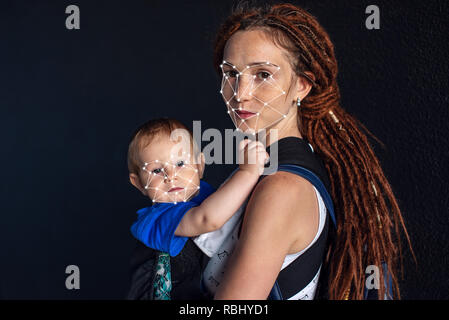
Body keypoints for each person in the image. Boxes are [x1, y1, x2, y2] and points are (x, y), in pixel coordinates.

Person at [194, 2, 414, 300]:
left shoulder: (282, 188)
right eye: (231, 73)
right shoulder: (271, 166)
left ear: (302, 85)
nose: (240, 93)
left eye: (262, 74)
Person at [126, 118, 268, 299]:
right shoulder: (157, 219)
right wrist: (248, 172)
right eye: (156, 170)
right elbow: (207, 219)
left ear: (200, 166)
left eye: (180, 164)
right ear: (138, 183)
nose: (171, 176)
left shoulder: (205, 195)